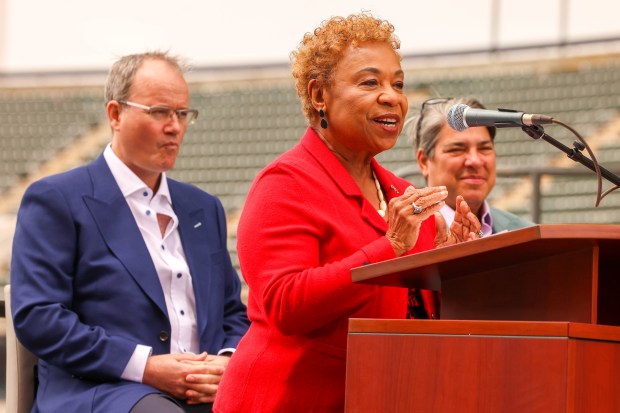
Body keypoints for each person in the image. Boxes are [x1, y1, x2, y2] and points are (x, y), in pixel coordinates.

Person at [213, 13, 482, 413]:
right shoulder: (285, 183)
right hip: (288, 400)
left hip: (380, 395)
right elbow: (285, 305)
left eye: (398, 84)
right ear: (319, 95)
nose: (392, 96)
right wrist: (388, 247)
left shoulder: (403, 193)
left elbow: (413, 316)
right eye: (370, 82)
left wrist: (453, 265)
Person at [10, 51, 249, 413]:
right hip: (104, 390)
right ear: (115, 114)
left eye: (182, 114)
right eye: (159, 112)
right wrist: (145, 367)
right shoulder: (57, 199)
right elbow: (39, 316)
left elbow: (232, 311)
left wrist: (228, 362)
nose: (175, 126)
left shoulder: (203, 207)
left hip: (205, 393)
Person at [412, 97, 534, 236]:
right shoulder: (405, 238)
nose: (475, 161)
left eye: (484, 148)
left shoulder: (525, 233)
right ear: (424, 161)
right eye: (457, 149)